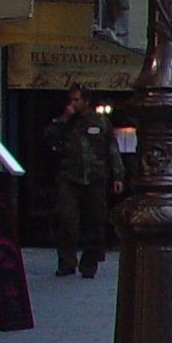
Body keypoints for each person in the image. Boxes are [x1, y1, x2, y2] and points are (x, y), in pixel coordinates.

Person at [43, 85, 122, 277]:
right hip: (70, 176)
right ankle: (67, 262)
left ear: (86, 101)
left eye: (77, 100)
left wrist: (118, 175)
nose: (73, 104)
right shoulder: (65, 122)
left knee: (94, 221)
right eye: (71, 100)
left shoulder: (100, 122)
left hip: (95, 177)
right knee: (66, 218)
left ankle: (89, 263)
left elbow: (112, 150)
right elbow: (49, 138)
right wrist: (63, 119)